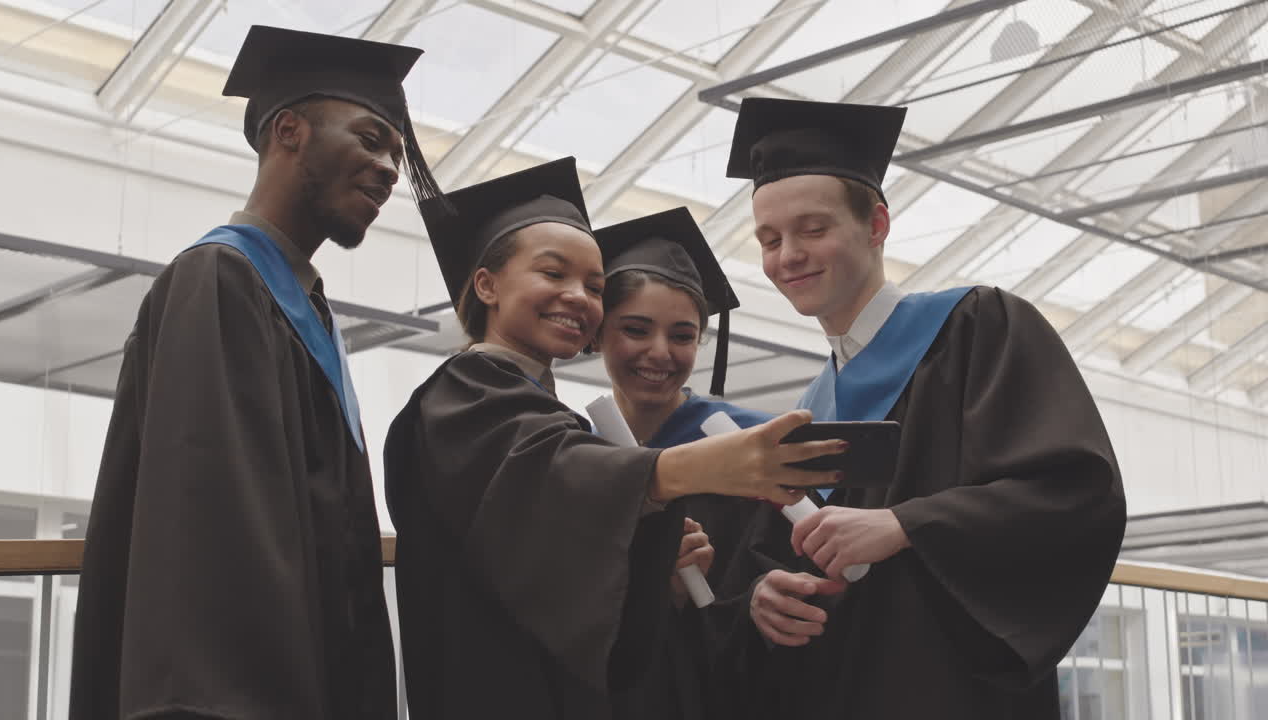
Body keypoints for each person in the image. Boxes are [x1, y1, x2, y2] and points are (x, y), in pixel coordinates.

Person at [69, 25, 443, 720]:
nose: (392, 168)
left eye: (396, 152)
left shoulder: (304, 306)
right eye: (369, 138)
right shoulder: (220, 281)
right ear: (289, 131)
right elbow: (206, 546)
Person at [383, 158, 843, 720]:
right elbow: (554, 474)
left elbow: (548, 569)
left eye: (593, 286)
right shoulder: (468, 393)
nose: (577, 296)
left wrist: (651, 569)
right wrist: (685, 471)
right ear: (487, 284)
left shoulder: (541, 411)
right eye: (553, 274)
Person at [712, 98, 1127, 718]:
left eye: (813, 229)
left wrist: (908, 525)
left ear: (877, 225)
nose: (786, 256)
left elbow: (1075, 493)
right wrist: (763, 593)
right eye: (769, 239)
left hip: (953, 690)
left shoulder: (979, 329)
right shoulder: (809, 407)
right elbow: (778, 551)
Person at [592, 207, 773, 719]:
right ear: (598, 330)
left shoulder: (746, 442)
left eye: (682, 335)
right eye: (635, 329)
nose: (659, 352)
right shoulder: (578, 456)